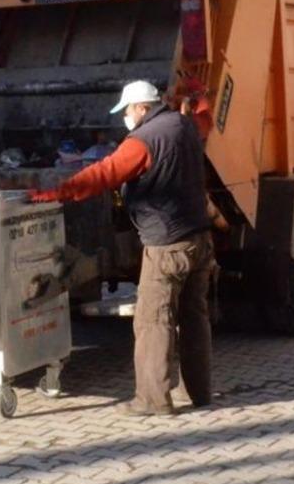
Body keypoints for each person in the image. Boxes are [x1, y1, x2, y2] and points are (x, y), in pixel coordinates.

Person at [30, 79, 213, 416]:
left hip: (166, 245)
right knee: (193, 316)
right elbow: (205, 120)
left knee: (152, 320)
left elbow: (104, 174)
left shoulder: (143, 141)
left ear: (142, 107)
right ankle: (200, 392)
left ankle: (152, 400)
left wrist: (57, 192)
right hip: (199, 239)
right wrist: (197, 95)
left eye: (128, 110)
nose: (126, 117)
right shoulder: (184, 126)